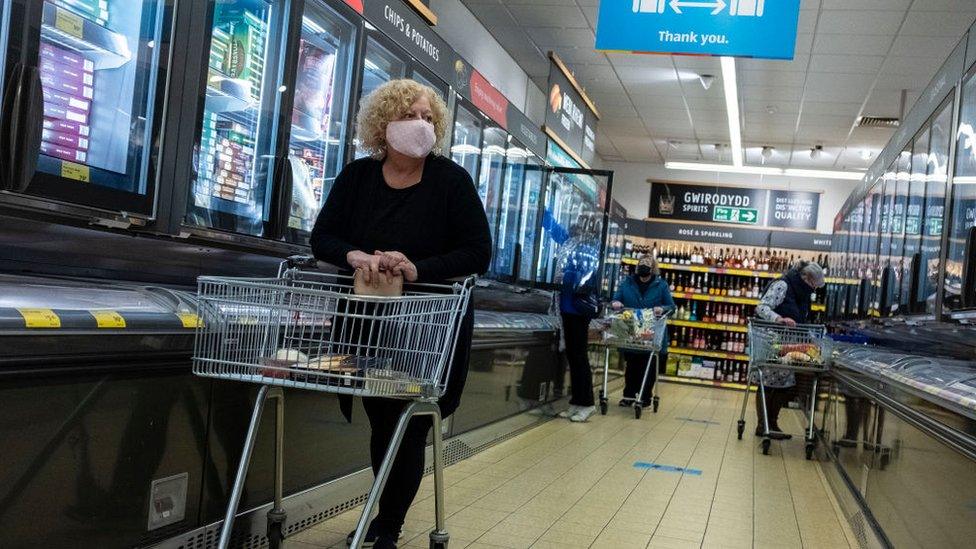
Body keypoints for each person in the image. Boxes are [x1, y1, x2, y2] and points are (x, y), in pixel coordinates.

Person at [309, 79, 492, 548]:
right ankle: (382, 514)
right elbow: (322, 237)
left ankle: (387, 524)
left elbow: (477, 251)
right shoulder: (357, 178)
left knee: (407, 423)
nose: (423, 125)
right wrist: (353, 256)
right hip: (367, 323)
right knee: (382, 418)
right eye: (413, 115)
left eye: (430, 118)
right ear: (384, 123)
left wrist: (417, 268)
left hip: (427, 327)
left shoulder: (451, 181)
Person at [754, 261, 826, 439]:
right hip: (771, 341)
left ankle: (772, 424)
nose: (814, 290)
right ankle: (763, 425)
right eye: (813, 285)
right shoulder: (782, 285)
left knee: (785, 385)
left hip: (788, 346)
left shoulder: (801, 294)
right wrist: (779, 318)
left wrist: (813, 340)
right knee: (768, 383)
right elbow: (761, 307)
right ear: (806, 278)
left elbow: (800, 320)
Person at [555, 213, 602, 423]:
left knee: (579, 357)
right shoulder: (572, 244)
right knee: (574, 357)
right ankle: (576, 401)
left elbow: (584, 274)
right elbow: (555, 231)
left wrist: (564, 276)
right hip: (568, 307)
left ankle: (587, 403)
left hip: (577, 309)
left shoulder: (589, 249)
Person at [611, 256, 675, 407]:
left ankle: (645, 397)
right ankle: (629, 395)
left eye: (647, 265)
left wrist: (663, 308)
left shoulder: (661, 285)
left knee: (648, 365)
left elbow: (671, 307)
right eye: (641, 264)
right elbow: (616, 298)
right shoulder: (627, 282)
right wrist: (616, 302)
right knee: (632, 364)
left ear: (653, 268)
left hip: (651, 332)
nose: (643, 267)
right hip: (631, 330)